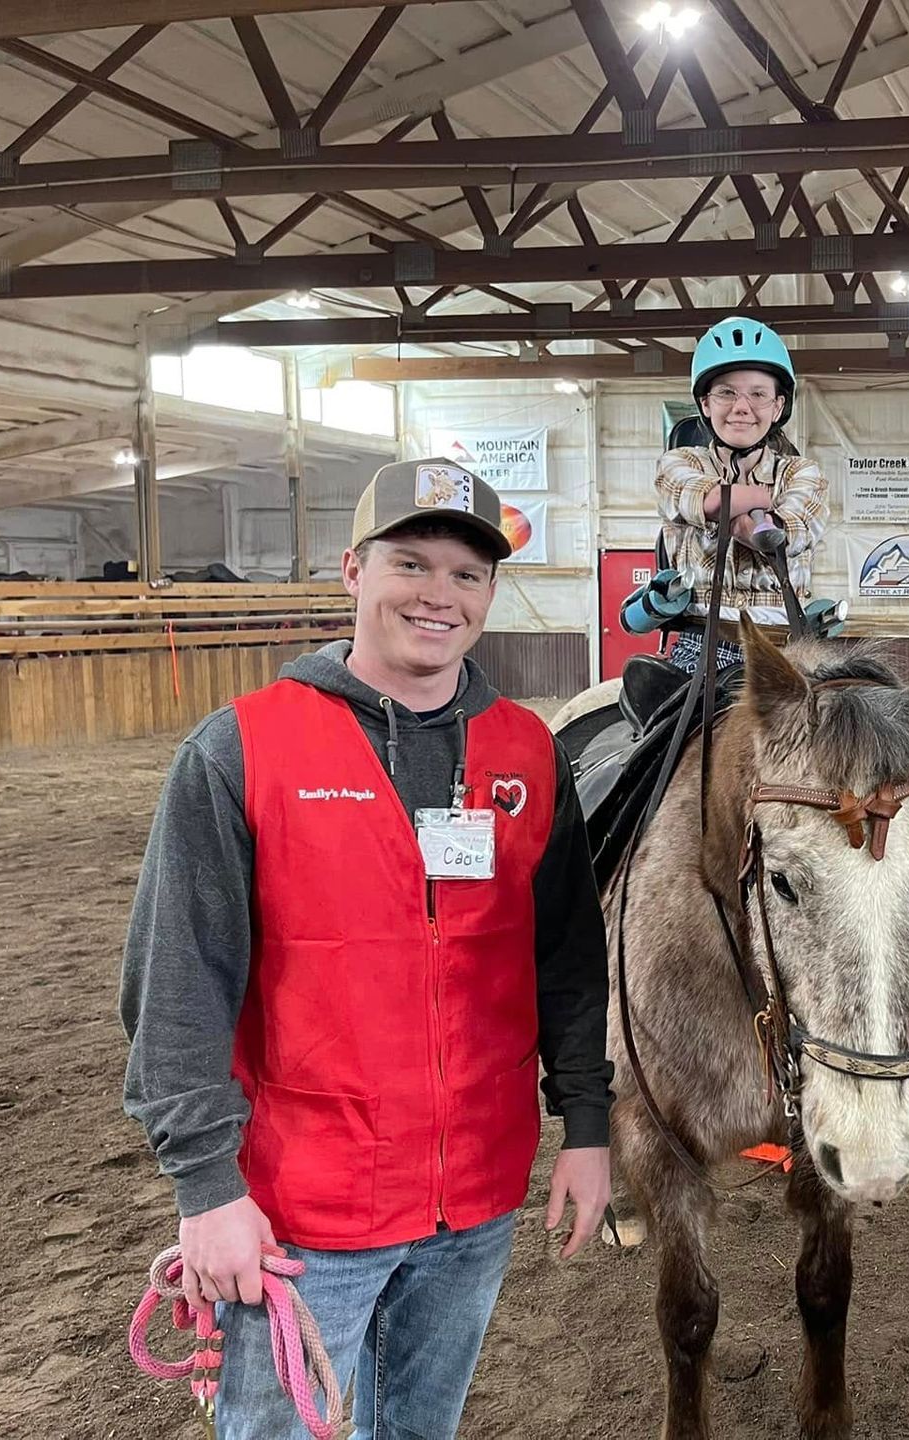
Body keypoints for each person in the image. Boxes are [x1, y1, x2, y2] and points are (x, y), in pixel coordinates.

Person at [120, 457, 614, 1440]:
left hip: (472, 1203)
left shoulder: (527, 753)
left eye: (468, 574)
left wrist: (589, 1125)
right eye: (412, 563)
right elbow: (177, 986)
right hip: (304, 1217)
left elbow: (564, 959)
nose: (439, 594)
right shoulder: (240, 752)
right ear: (354, 571)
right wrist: (206, 1189)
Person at [655, 315, 828, 673]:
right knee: (654, 719)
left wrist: (728, 507)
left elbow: (786, 537)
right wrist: (762, 501)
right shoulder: (678, 462)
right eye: (726, 392)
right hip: (701, 642)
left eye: (758, 394)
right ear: (705, 403)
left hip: (785, 645)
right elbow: (708, 502)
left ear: (778, 406)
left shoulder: (802, 472)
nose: (741, 407)